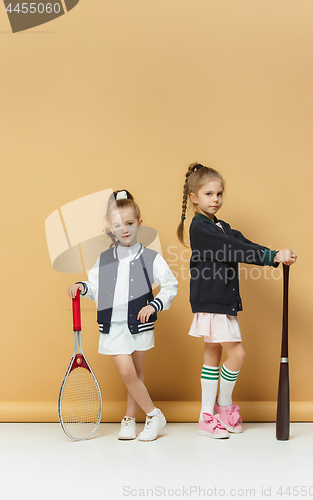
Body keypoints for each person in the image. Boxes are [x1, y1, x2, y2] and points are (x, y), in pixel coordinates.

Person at [177, 163, 297, 439]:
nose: (215, 199)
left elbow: (244, 243)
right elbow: (234, 249)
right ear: (194, 197)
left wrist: (273, 254)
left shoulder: (220, 226)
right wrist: (271, 258)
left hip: (217, 300)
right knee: (237, 355)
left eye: (219, 194)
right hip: (214, 302)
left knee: (213, 355)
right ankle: (223, 407)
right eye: (208, 194)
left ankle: (206, 417)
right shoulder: (201, 229)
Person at [69, 190, 178, 441]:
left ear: (140, 223)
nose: (124, 229)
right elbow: (93, 286)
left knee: (136, 375)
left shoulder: (151, 258)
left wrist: (155, 305)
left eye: (129, 224)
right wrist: (82, 287)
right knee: (128, 373)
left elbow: (171, 285)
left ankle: (129, 419)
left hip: (140, 325)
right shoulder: (105, 259)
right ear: (110, 229)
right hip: (114, 325)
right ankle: (153, 414)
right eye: (118, 225)